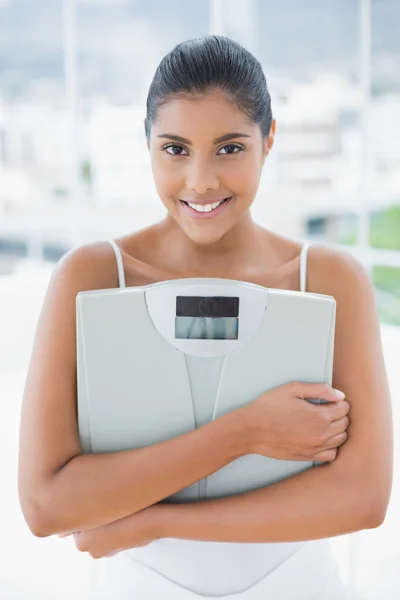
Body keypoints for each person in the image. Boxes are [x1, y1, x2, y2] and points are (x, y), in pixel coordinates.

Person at [18, 36, 393, 599]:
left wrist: (152, 521)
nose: (200, 180)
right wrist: (247, 431)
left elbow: (363, 499)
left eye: (229, 148)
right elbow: (47, 504)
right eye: (175, 149)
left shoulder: (330, 280)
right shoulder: (92, 276)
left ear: (269, 140)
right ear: (146, 144)